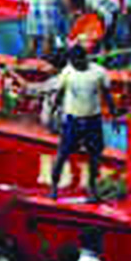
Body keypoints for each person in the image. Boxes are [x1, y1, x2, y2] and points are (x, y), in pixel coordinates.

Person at [37, 46, 114, 200]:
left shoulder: (99, 72)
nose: (76, 64)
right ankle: (54, 188)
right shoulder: (68, 72)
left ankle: (92, 188)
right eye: (73, 62)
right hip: (72, 119)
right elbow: (60, 93)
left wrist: (114, 114)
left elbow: (106, 94)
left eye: (79, 60)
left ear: (86, 58)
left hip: (93, 119)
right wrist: (52, 112)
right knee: (62, 154)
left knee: (94, 155)